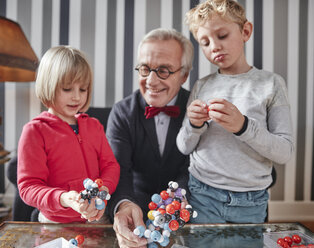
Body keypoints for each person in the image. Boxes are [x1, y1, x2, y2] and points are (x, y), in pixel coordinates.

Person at [176, 0, 294, 224]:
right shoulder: (202, 86)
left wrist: (244, 126)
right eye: (205, 42)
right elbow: (184, 146)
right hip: (202, 194)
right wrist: (194, 124)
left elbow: (284, 152)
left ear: (245, 31)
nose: (214, 47)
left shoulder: (271, 84)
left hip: (251, 200)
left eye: (222, 36)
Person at [106, 28, 194, 247]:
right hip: (134, 211)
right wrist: (124, 205)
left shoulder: (198, 109)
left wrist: (177, 201)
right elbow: (117, 170)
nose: (151, 81)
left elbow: (194, 168)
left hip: (187, 212)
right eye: (145, 69)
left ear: (184, 74)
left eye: (163, 70)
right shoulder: (122, 112)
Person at [17, 46, 120, 223]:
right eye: (67, 89)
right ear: (48, 86)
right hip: (55, 223)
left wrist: (103, 192)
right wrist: (63, 199)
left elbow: (111, 166)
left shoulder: (94, 126)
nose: (76, 97)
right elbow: (29, 187)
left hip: (97, 219)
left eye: (83, 89)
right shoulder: (35, 131)